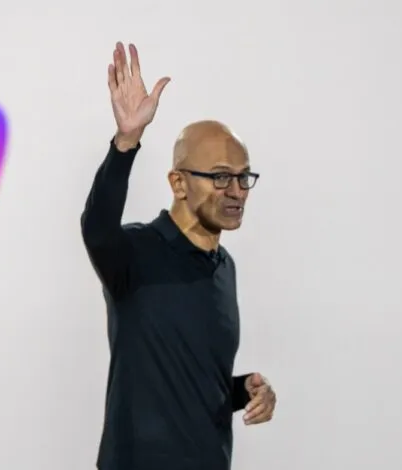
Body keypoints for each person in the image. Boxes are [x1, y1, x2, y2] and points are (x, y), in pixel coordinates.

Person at [81, 41, 277, 470]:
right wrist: (126, 141)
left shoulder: (225, 270)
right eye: (221, 177)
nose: (237, 191)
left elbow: (193, 386)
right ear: (178, 182)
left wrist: (246, 391)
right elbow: (96, 226)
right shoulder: (133, 255)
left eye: (244, 178)